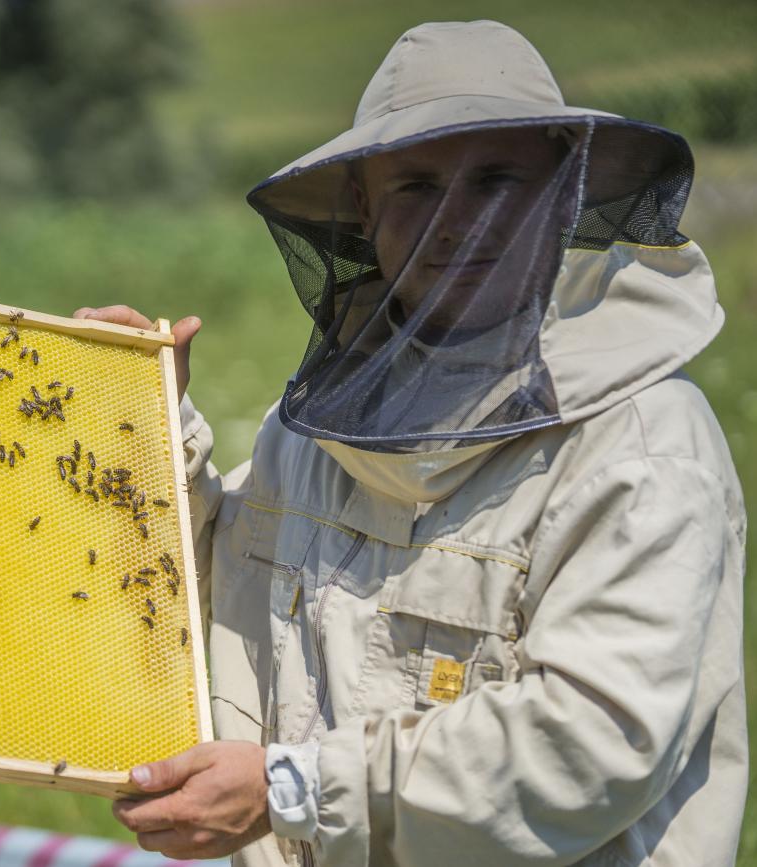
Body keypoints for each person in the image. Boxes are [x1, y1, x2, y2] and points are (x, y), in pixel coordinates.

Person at [75, 20, 747, 867]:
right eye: (418, 187)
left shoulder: (641, 447)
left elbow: (588, 748)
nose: (456, 223)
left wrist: (292, 788)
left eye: (499, 180)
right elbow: (219, 614)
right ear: (361, 204)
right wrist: (139, 440)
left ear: (561, 191)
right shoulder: (315, 430)